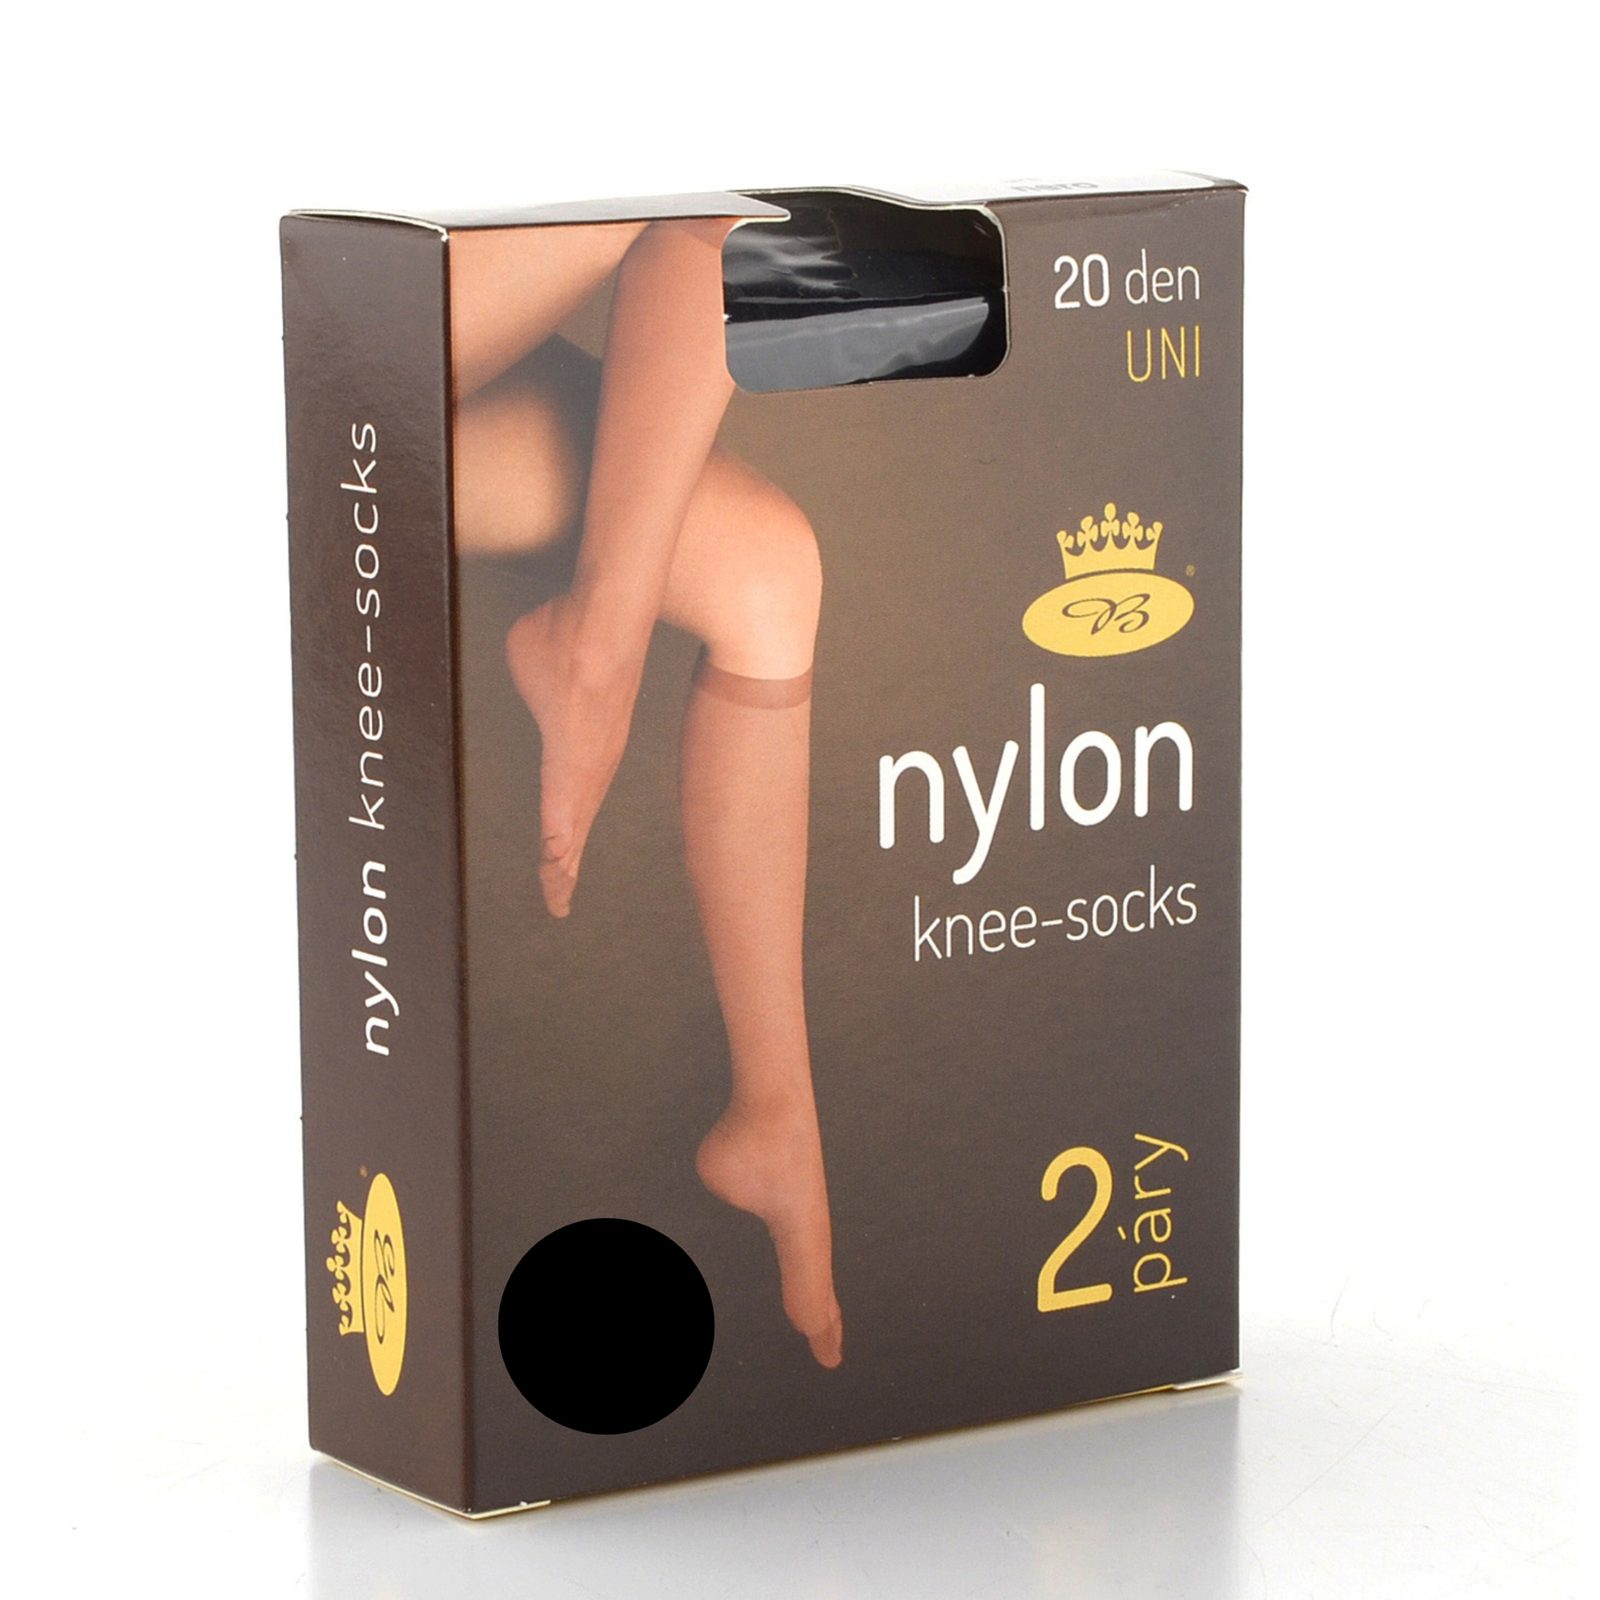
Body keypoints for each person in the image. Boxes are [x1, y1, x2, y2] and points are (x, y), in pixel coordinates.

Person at [450, 216, 843, 1369]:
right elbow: (700, 234)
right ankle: (592, 654)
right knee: (677, 208)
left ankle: (779, 1120)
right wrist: (604, 647)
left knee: (768, 573)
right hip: (291, 362)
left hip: (400, 411)